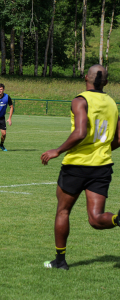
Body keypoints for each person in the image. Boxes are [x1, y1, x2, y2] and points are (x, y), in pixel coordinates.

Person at [40, 64, 120, 270]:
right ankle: (118, 219)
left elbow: (80, 133)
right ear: (106, 83)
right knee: (95, 219)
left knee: (63, 211)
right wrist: (102, 149)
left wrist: (57, 150)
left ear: (86, 77)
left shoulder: (80, 100)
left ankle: (60, 261)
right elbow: (119, 138)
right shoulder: (112, 103)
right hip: (102, 166)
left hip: (76, 165)